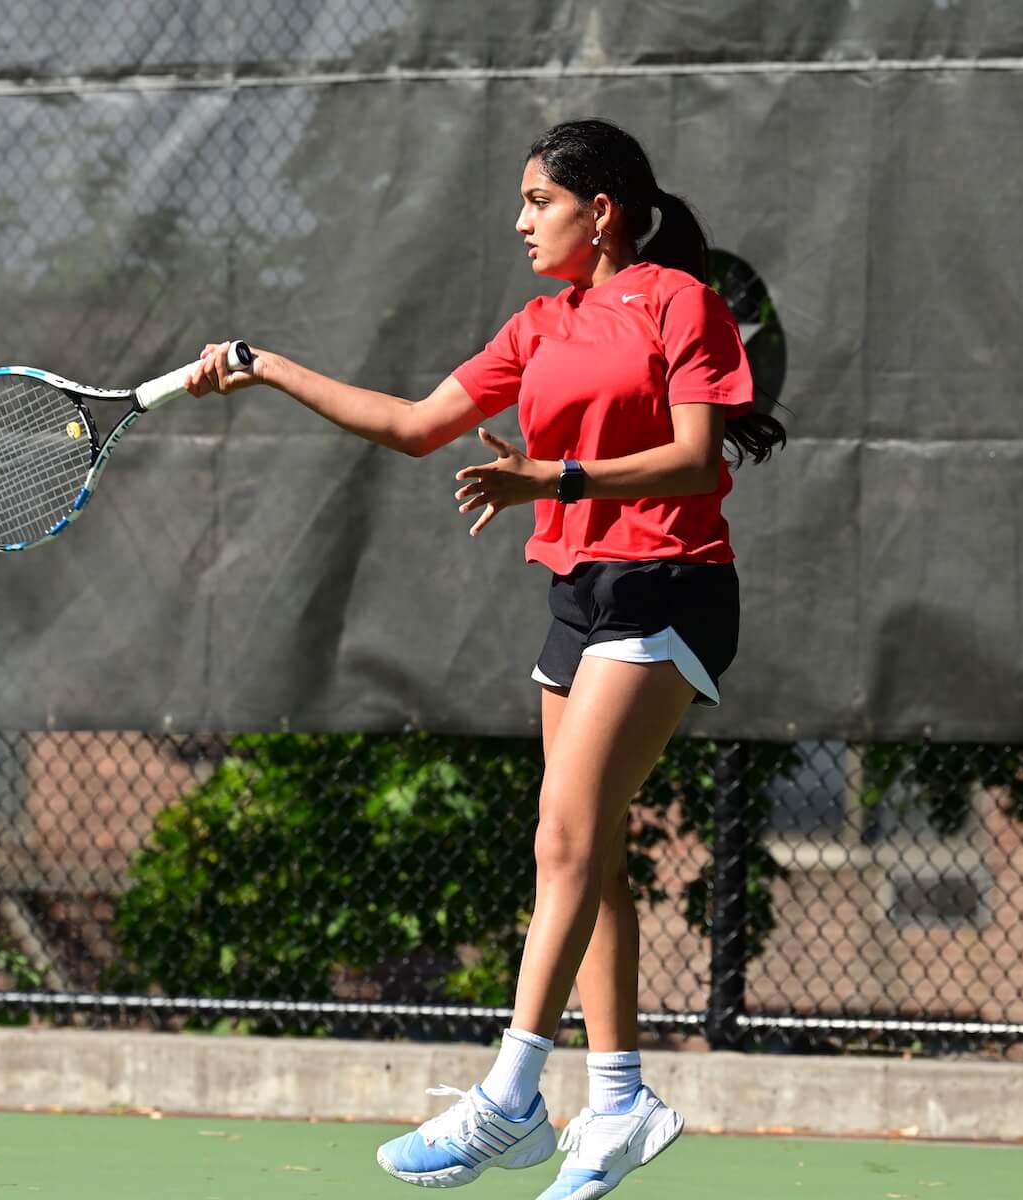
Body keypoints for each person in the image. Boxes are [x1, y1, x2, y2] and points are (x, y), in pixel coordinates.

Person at [185, 116, 785, 1199]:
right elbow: (416, 424)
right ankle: (616, 1104)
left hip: (670, 584)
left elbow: (697, 461)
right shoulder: (542, 322)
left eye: (538, 203)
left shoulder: (678, 302)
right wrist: (263, 366)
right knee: (586, 854)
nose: (520, 222)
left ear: (599, 211)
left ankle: (512, 1096)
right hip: (579, 591)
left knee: (565, 835)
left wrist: (552, 480)